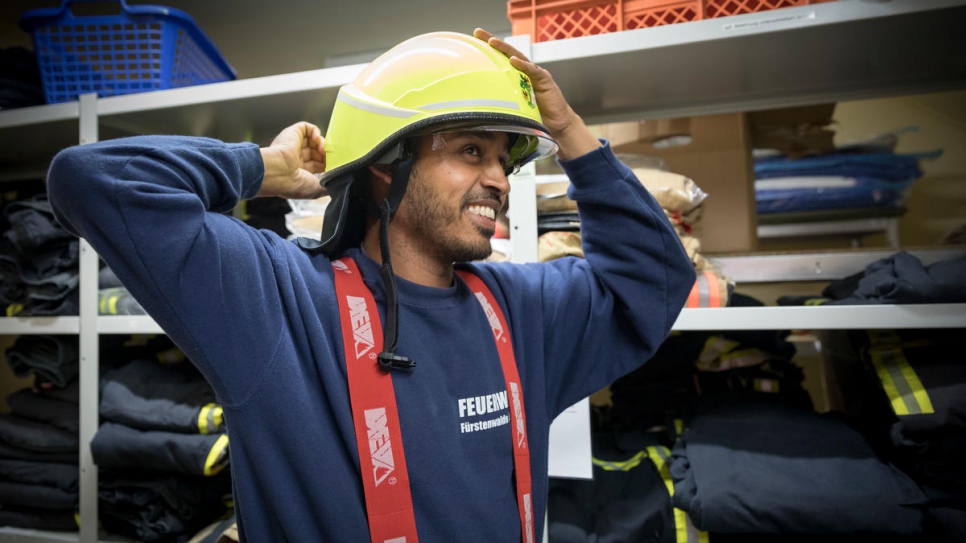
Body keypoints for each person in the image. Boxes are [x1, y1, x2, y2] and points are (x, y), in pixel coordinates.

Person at [47, 28, 695, 543]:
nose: (499, 178)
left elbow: (654, 281)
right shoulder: (277, 297)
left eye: (504, 158)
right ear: (388, 165)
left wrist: (569, 133)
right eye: (472, 150)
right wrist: (267, 167)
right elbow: (92, 181)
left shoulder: (522, 308)